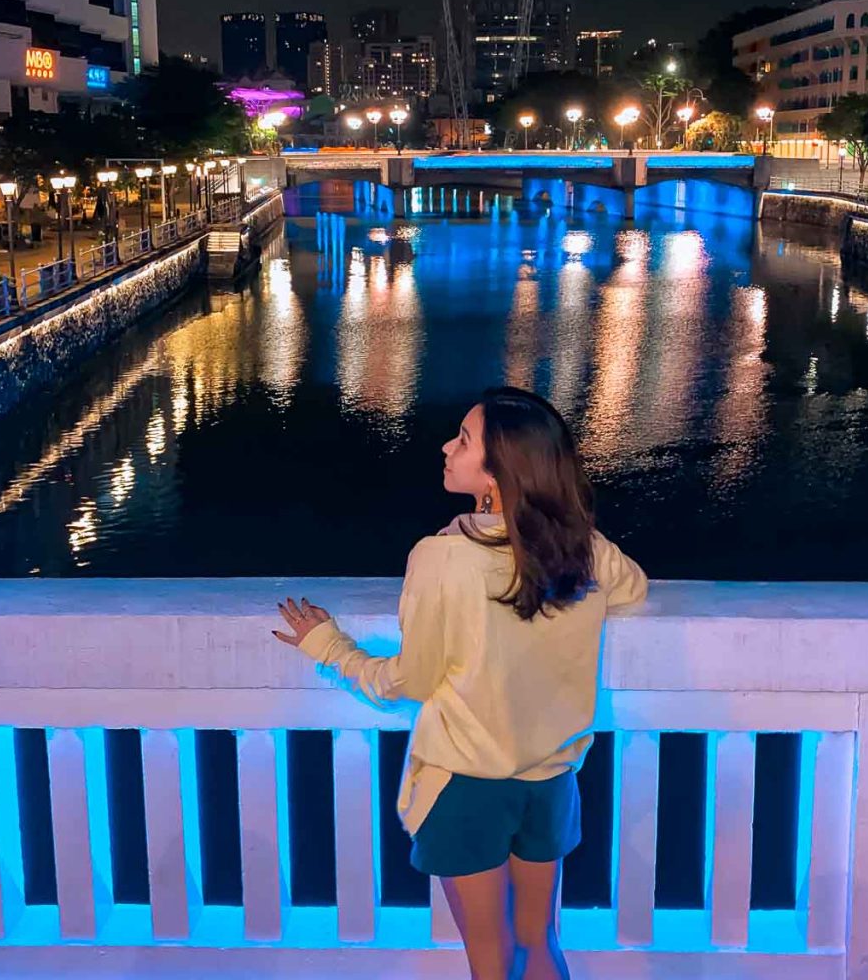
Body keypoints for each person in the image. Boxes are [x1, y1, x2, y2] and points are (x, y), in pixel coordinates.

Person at [274, 386, 647, 980]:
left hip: (469, 784)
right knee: (539, 941)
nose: (447, 446)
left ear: (497, 474)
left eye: (465, 440)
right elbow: (633, 589)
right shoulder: (579, 548)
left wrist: (330, 648)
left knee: (491, 961)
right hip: (549, 779)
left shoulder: (443, 558)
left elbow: (408, 679)